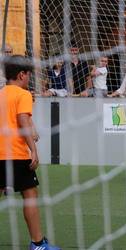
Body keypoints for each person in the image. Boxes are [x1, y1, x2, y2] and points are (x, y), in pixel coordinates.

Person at [0, 55, 60, 249]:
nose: (29, 79)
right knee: (30, 195)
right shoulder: (23, 94)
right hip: (16, 154)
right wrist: (33, 151)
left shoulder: (1, 93)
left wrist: (32, 130)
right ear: (21, 75)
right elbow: (22, 120)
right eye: (28, 75)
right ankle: (37, 244)